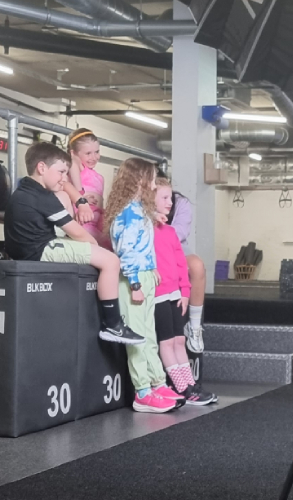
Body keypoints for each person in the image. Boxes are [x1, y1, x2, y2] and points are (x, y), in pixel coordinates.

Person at [3, 142, 144, 346]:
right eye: (61, 172)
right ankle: (113, 324)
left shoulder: (26, 190)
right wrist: (95, 251)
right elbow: (80, 235)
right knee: (111, 261)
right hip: (40, 251)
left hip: (29, 249)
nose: (63, 178)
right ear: (41, 168)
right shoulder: (42, 197)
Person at [104, 157, 184, 414]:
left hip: (146, 275)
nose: (153, 182)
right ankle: (142, 392)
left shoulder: (140, 210)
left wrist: (152, 270)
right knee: (137, 338)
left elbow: (143, 246)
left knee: (149, 335)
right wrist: (136, 282)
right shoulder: (128, 213)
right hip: (133, 279)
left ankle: (157, 383)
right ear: (139, 180)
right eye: (150, 177)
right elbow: (127, 251)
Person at [153, 178, 217, 405]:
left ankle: (189, 386)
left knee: (179, 340)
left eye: (170, 198)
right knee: (167, 343)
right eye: (164, 198)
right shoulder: (145, 230)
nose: (170, 203)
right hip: (158, 295)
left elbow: (181, 263)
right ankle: (182, 388)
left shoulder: (170, 232)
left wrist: (185, 293)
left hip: (174, 296)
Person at [157, 168, 206, 353]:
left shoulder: (181, 203)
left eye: (169, 196)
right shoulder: (139, 205)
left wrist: (158, 230)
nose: (168, 202)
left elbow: (180, 232)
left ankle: (194, 327)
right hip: (151, 248)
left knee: (197, 266)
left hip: (175, 247)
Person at [67, 128, 110, 248]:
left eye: (97, 152)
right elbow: (71, 162)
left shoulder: (99, 177)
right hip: (84, 223)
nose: (94, 157)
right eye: (88, 153)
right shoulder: (76, 168)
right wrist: (80, 195)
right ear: (74, 153)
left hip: (99, 223)